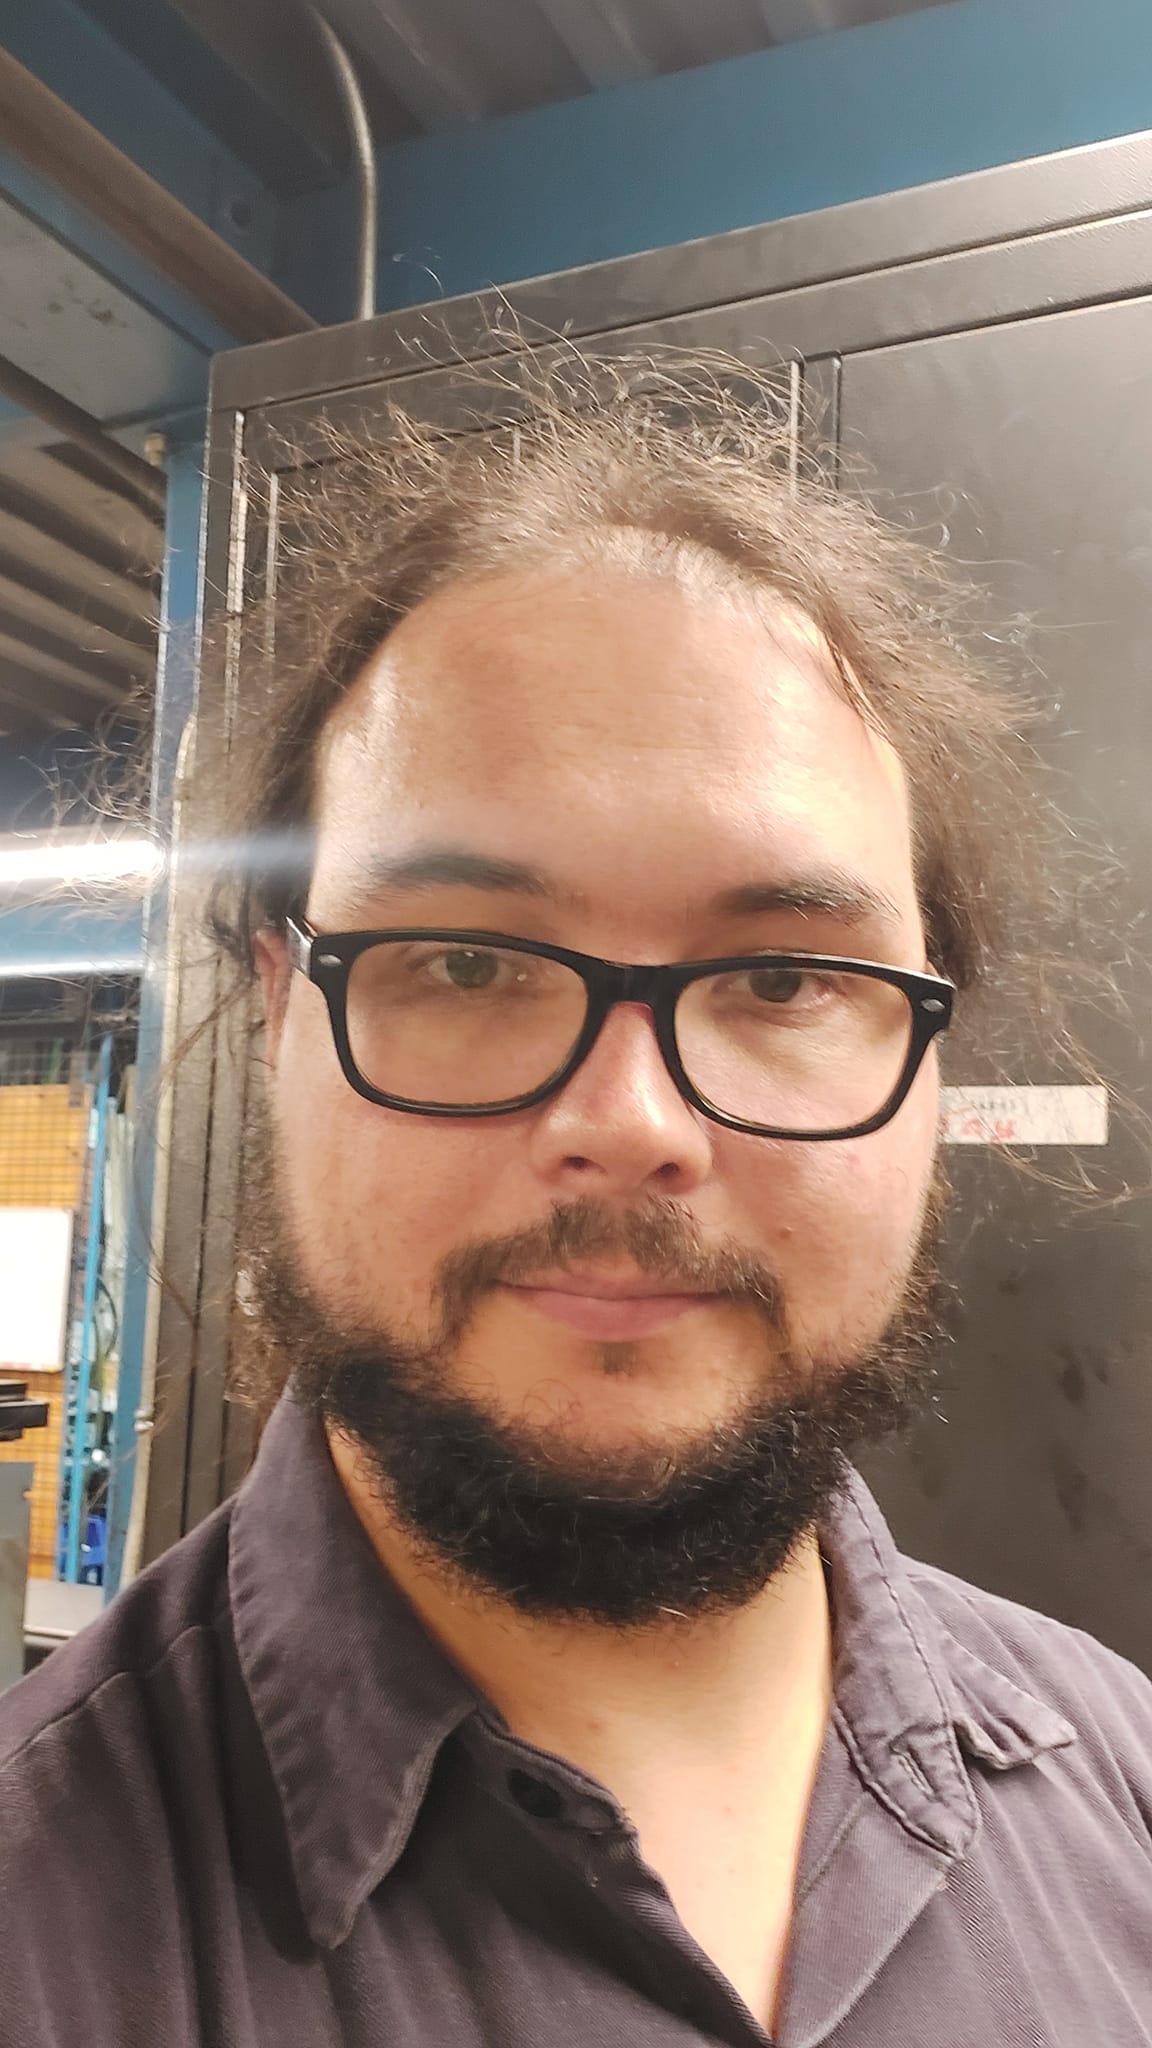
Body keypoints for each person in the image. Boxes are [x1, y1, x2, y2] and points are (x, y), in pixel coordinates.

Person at [2, 360, 1150, 2048]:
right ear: (275, 1016)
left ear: (928, 1052)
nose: (629, 1125)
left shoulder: (1119, 1777)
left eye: (780, 976)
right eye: (465, 961)